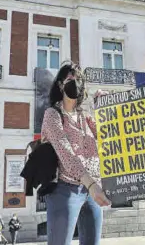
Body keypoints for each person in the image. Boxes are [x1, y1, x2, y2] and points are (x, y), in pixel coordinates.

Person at [42, 61, 111, 245]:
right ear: (60, 85)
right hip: (65, 190)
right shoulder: (52, 114)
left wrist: (102, 108)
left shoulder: (85, 116)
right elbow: (67, 156)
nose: (76, 83)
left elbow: (109, 140)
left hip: (92, 191)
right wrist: (92, 185)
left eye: (79, 80)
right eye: (71, 79)